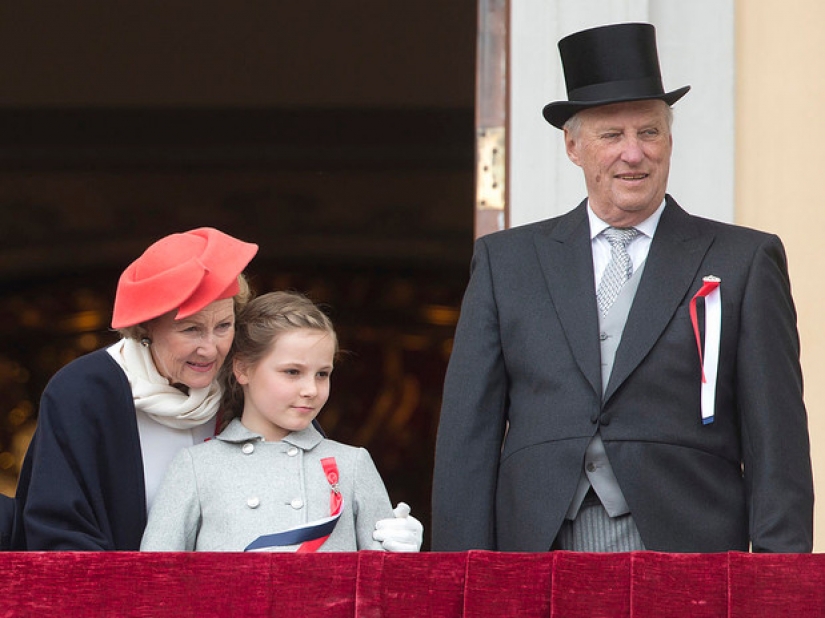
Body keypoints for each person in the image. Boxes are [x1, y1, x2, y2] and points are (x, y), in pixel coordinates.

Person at [431, 23, 813, 553]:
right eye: (611, 136)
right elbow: (466, 438)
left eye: (649, 132)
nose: (633, 153)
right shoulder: (507, 261)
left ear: (670, 141)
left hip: (687, 547)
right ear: (573, 146)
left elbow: (778, 442)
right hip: (537, 548)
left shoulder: (743, 260)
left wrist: (776, 587)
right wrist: (462, 578)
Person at [12, 228, 420, 551]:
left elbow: (305, 476)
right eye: (191, 329)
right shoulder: (87, 391)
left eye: (223, 326)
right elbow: (59, 534)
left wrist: (387, 541)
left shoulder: (237, 381)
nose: (211, 348)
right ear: (147, 327)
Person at [141, 291, 423, 552]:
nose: (311, 389)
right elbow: (151, 580)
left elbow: (382, 591)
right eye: (292, 372)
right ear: (243, 369)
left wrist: (400, 552)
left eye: (322, 374)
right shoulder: (196, 466)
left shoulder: (353, 464)